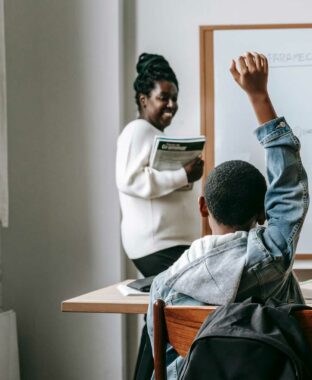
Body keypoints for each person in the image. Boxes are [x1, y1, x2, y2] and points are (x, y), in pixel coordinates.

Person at [146, 51, 310, 379]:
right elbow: (289, 191)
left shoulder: (165, 286)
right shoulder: (273, 259)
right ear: (262, 213)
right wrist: (259, 96)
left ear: (203, 207)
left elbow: (162, 363)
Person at [116, 53, 204, 380]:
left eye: (175, 99)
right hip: (157, 245)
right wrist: (183, 175)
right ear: (143, 99)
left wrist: (188, 176)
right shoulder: (137, 131)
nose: (171, 105)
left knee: (161, 314)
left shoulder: (153, 135)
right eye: (163, 97)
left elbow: (160, 186)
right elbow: (130, 180)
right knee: (165, 315)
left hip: (168, 242)